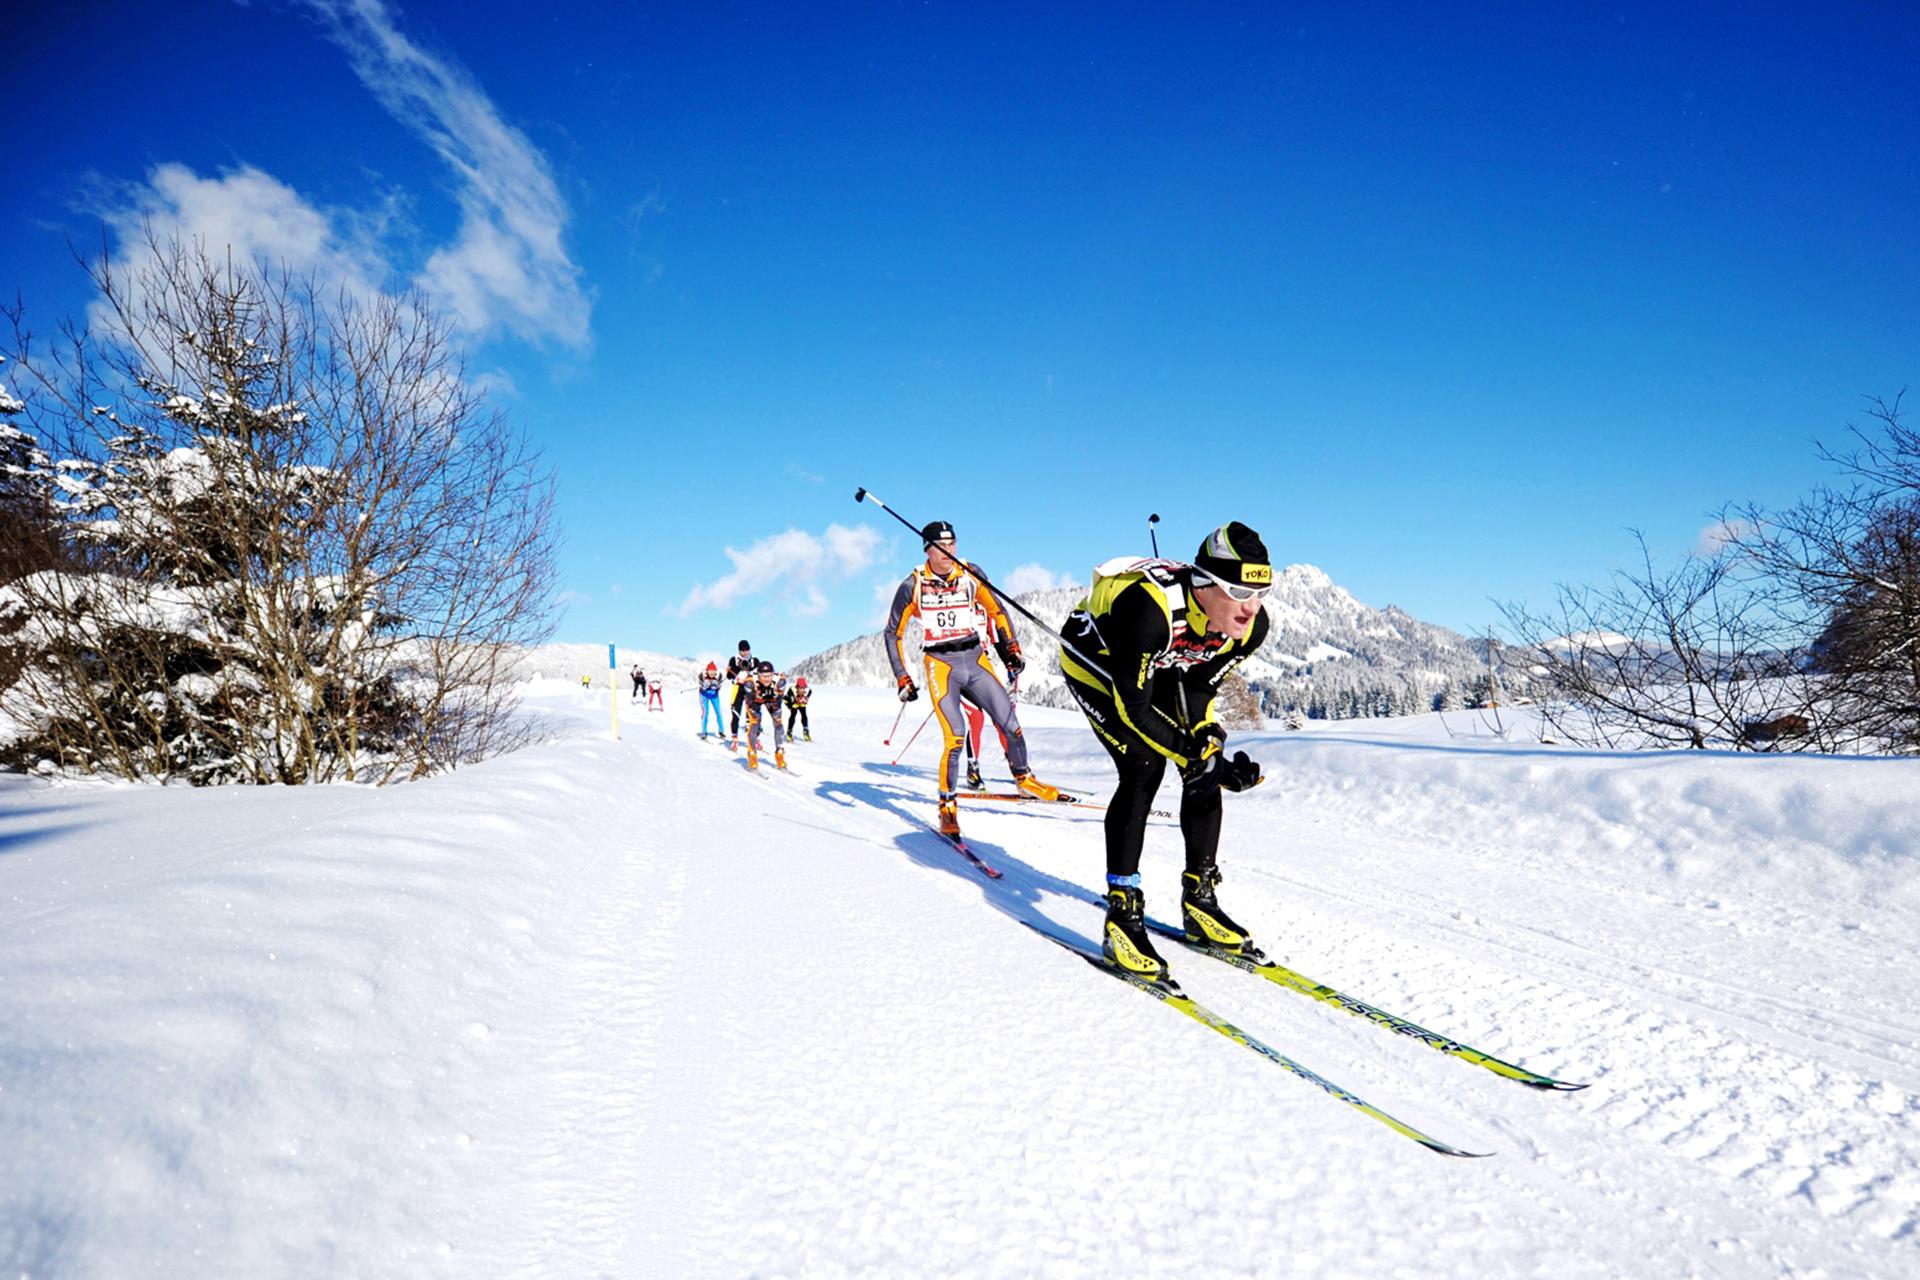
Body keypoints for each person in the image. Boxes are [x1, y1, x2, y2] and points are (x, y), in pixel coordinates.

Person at [1059, 522, 1273, 985]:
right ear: (1205, 584)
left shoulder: (1250, 628)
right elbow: (1133, 708)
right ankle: (1122, 914)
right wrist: (1194, 752)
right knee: (1143, 765)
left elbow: (1199, 686)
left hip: (1160, 664)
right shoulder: (1148, 611)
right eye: (1239, 591)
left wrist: (1208, 746)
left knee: (1202, 765)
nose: (1252, 606)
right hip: (1097, 662)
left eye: (1261, 592)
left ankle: (1200, 899)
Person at [885, 520, 1059, 839]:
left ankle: (1024, 779)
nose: (948, 551)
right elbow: (892, 633)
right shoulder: (913, 585)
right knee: (955, 736)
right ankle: (947, 806)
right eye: (941, 546)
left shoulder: (970, 573)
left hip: (975, 659)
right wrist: (902, 676)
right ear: (927, 549)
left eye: (952, 544)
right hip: (941, 664)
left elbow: (997, 611)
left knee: (1010, 724)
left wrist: (1011, 648)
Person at [742, 660, 788, 770]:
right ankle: (752, 755)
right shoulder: (750, 682)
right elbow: (750, 699)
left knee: (778, 723)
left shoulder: (780, 681)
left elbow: (779, 699)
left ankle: (780, 753)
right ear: (758, 675)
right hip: (755, 700)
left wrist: (775, 700)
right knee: (754, 723)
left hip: (772, 700)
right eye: (764, 676)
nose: (767, 679)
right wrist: (756, 699)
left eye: (769, 676)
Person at [725, 640, 756, 748]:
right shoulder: (734, 659)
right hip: (737, 689)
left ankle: (756, 739)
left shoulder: (754, 660)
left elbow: (760, 674)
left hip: (750, 689)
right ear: (739, 651)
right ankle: (734, 738)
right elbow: (729, 676)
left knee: (754, 714)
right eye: (742, 651)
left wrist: (750, 674)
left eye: (747, 650)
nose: (745, 653)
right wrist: (736, 675)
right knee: (735, 713)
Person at [698, 661, 727, 738]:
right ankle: (704, 732)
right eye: (710, 671)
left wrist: (716, 687)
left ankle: (721, 731)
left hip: (714, 694)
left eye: (713, 671)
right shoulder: (702, 676)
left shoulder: (719, 676)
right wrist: (705, 687)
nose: (711, 673)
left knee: (718, 712)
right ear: (707, 671)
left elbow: (719, 686)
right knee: (705, 712)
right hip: (704, 694)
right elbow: (701, 685)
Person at [784, 676, 813, 741]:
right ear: (797, 687)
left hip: (801, 703)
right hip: (792, 703)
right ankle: (789, 731)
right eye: (800, 688)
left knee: (804, 715)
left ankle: (806, 730)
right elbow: (786, 699)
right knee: (793, 715)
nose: (802, 690)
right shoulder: (792, 691)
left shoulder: (808, 691)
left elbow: (807, 697)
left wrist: (803, 700)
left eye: (803, 688)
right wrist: (790, 706)